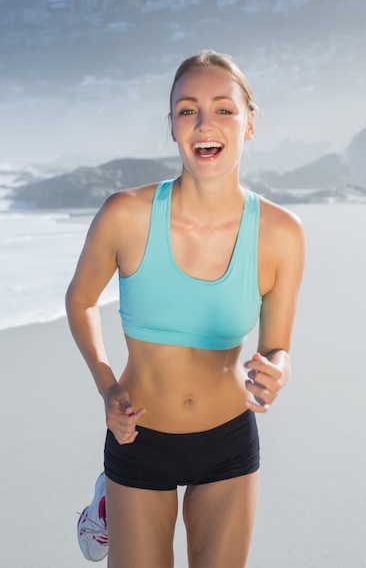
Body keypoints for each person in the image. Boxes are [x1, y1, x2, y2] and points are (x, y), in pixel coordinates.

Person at [66, 49, 305, 568]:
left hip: (228, 441)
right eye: (187, 109)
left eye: (223, 108)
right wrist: (107, 388)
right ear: (172, 126)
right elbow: (80, 300)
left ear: (249, 124)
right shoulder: (126, 215)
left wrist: (277, 371)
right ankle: (109, 496)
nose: (204, 123)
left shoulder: (280, 234)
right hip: (138, 434)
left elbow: (277, 345)